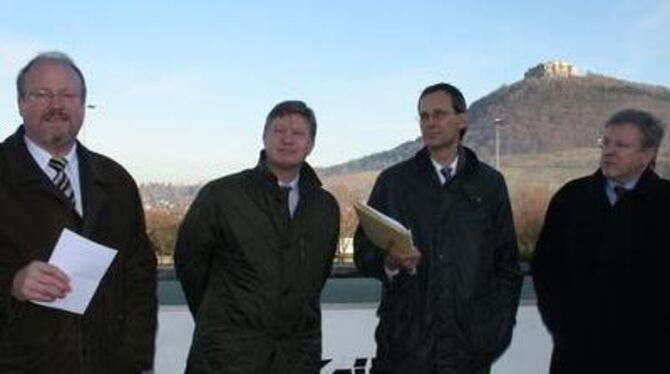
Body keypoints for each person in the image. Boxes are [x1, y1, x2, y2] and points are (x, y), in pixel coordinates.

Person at [0, 51, 157, 372]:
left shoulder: (115, 180)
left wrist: (133, 360)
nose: (56, 105)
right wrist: (11, 284)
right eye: (42, 94)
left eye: (68, 95)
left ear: (82, 106)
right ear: (20, 103)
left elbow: (139, 277)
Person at [354, 82, 522, 373]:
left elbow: (506, 266)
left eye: (439, 114)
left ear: (462, 120)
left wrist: (494, 331)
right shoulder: (393, 182)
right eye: (424, 116)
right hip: (404, 350)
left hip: (469, 353)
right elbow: (362, 251)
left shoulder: (490, 184)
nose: (430, 123)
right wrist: (389, 262)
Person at [174, 100, 340, 373]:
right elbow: (190, 263)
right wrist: (221, 320)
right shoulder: (222, 195)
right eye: (278, 130)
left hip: (295, 357)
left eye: (298, 133)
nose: (287, 139)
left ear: (311, 144)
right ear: (264, 137)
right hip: (226, 358)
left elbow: (315, 278)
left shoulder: (325, 207)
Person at [531, 109, 670, 373]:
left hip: (651, 356)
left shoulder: (665, 203)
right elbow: (545, 269)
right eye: (605, 142)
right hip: (577, 355)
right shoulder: (570, 198)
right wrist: (563, 326)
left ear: (648, 154)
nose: (609, 151)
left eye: (621, 145)